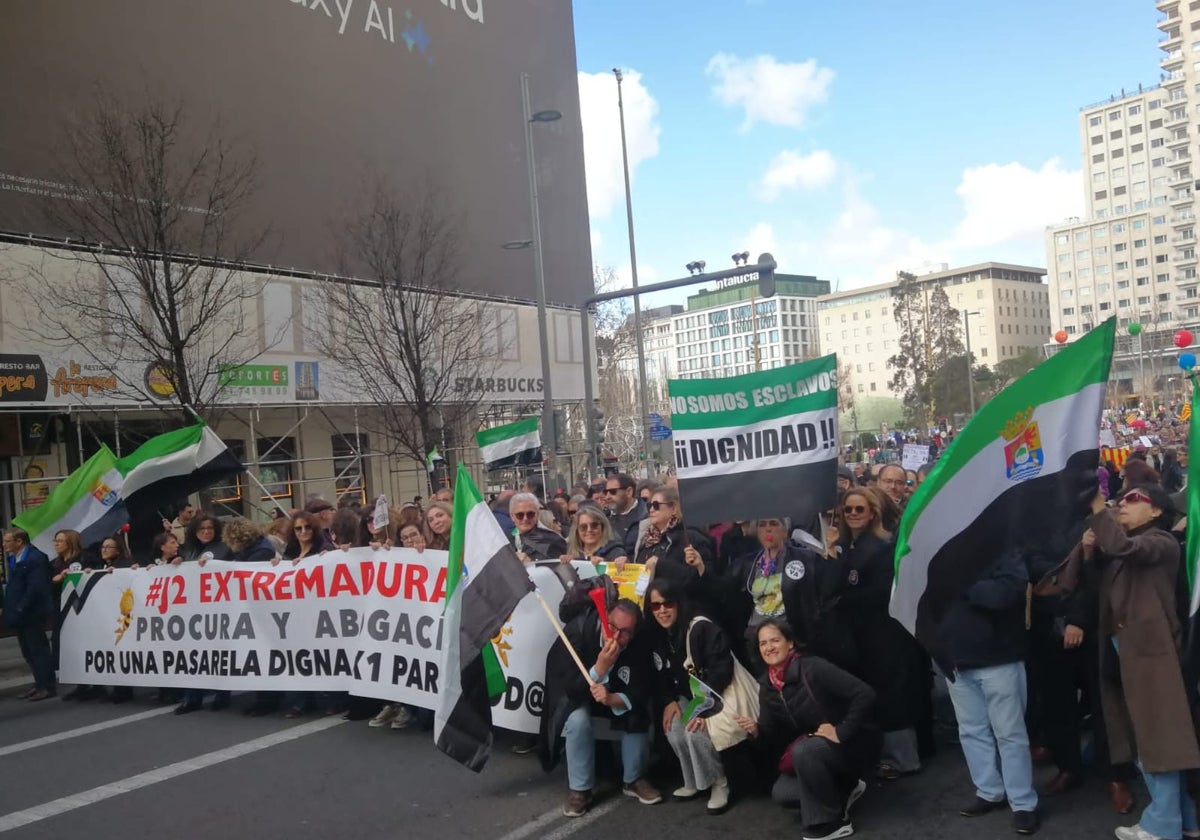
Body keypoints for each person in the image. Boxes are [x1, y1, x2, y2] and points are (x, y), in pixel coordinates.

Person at [1057, 484, 1200, 840]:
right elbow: (1086, 586)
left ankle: (1161, 826)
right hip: (1126, 655)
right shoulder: (1124, 546)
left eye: (1134, 499)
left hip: (1151, 658)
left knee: (1156, 744)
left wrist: (1097, 507)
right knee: (1151, 741)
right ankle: (1185, 819)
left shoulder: (1160, 541)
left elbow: (1125, 548)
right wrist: (1089, 550)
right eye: (1122, 498)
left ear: (1156, 512)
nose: (1123, 503)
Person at [737, 619, 880, 840]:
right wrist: (756, 731)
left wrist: (841, 730)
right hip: (816, 751)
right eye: (763, 643)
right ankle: (847, 788)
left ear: (790, 643)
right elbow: (770, 733)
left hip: (853, 743)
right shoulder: (767, 685)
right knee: (782, 793)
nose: (769, 647)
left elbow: (865, 694)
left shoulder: (813, 667)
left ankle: (832, 823)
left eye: (775, 640)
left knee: (805, 751)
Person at [935, 546, 1039, 835]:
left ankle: (1023, 803)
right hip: (955, 659)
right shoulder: (939, 554)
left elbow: (1006, 594)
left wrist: (961, 583)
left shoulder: (1005, 549)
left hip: (999, 658)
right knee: (971, 730)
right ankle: (989, 790)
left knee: (1010, 733)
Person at [823, 487, 925, 779]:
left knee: (892, 694)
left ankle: (904, 759)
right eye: (848, 510)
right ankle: (884, 755)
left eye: (859, 509)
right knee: (872, 694)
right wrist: (831, 554)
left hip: (885, 633)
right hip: (858, 636)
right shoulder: (844, 545)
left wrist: (844, 598)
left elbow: (879, 593)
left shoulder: (883, 546)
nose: (853, 514)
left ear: (872, 512)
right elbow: (830, 589)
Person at [539, 597, 661, 817]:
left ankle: (633, 779)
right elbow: (568, 689)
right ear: (604, 618)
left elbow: (641, 688)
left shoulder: (639, 642)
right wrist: (598, 669)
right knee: (577, 721)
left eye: (624, 632)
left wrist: (613, 699)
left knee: (638, 713)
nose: (615, 636)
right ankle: (580, 790)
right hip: (580, 698)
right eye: (612, 627)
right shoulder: (578, 633)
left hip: (615, 698)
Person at [631, 486, 714, 595]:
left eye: (656, 506)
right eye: (649, 505)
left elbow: (700, 578)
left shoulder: (690, 537)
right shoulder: (646, 538)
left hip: (680, 604)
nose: (651, 510)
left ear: (673, 509)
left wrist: (661, 564)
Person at [3, 528, 55, 701]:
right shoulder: (14, 558)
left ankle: (47, 685)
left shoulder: (34, 558)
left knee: (38, 649)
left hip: (31, 612)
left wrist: (21, 607)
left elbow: (35, 588)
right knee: (28, 652)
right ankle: (38, 683)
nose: (4, 545)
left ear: (19, 542)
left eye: (7, 541)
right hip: (20, 614)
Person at [561, 504, 627, 568]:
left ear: (603, 527)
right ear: (577, 531)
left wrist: (606, 565)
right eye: (583, 527)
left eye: (594, 525)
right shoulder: (572, 554)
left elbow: (625, 576)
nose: (589, 530)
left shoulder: (615, 552)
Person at [510, 492, 567, 561]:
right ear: (512, 516)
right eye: (520, 515)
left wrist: (532, 561)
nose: (525, 518)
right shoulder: (506, 542)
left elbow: (562, 567)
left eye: (530, 514)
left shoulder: (553, 540)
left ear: (537, 514)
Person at [606, 473, 646, 548]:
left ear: (629, 492)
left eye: (613, 492)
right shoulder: (605, 517)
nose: (607, 497)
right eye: (606, 492)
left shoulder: (646, 517)